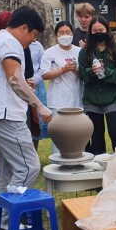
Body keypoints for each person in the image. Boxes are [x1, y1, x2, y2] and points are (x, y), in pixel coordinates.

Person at [0, 7, 51, 201]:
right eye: (34, 34)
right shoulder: (10, 43)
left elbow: (11, 78)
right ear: (24, 27)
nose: (34, 40)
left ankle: (2, 221)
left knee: (8, 171)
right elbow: (15, 79)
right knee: (29, 167)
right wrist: (40, 106)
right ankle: (10, 218)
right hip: (6, 116)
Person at [78, 16, 116, 155]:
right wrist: (92, 72)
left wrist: (106, 71)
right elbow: (82, 74)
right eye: (94, 30)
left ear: (107, 30)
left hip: (113, 97)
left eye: (101, 29)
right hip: (92, 98)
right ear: (90, 31)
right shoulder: (85, 52)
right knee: (96, 134)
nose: (98, 32)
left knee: (115, 132)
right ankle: (98, 165)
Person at [39, 21, 82, 154]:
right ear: (56, 35)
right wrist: (63, 69)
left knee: (77, 134)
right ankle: (58, 164)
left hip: (77, 100)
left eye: (67, 32)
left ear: (72, 34)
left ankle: (76, 161)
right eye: (61, 33)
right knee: (58, 135)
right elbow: (45, 74)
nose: (65, 36)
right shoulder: (50, 52)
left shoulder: (79, 52)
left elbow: (86, 74)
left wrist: (75, 70)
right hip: (57, 101)